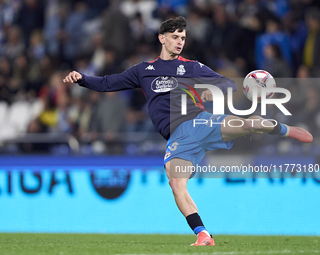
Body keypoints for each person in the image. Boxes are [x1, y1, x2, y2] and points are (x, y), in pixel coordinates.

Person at [63, 17, 313, 246]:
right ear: (162, 38)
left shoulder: (192, 67)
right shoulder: (143, 71)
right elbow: (108, 83)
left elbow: (225, 82)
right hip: (178, 137)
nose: (180, 42)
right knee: (176, 183)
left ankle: (285, 129)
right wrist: (82, 78)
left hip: (200, 121)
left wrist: (213, 91)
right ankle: (203, 234)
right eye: (175, 37)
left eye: (183, 38)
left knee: (247, 124)